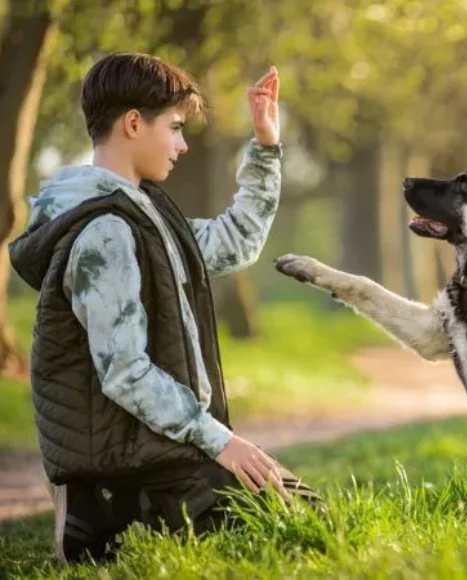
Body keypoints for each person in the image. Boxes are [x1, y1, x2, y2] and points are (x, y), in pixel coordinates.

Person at [9, 52, 317, 564]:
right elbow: (125, 371)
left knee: (303, 516)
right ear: (133, 123)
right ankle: (96, 518)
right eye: (174, 128)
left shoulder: (144, 213)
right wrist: (220, 442)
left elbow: (234, 242)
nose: (182, 143)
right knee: (289, 527)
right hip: (125, 461)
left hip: (160, 448)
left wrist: (265, 147)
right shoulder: (104, 232)